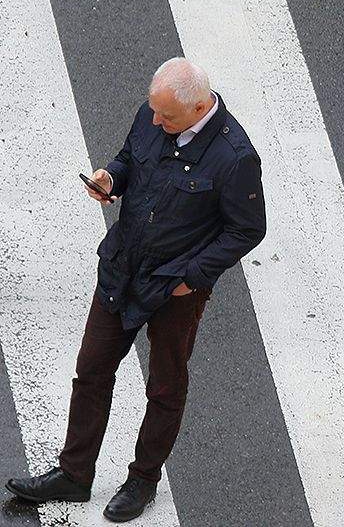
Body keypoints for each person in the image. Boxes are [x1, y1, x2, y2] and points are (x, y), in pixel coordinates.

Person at [5, 59, 266, 522]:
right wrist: (110, 177)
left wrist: (192, 278)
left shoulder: (235, 157)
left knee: (165, 387)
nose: (155, 121)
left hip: (174, 291)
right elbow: (128, 159)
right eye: (154, 111)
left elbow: (246, 230)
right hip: (122, 267)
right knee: (91, 370)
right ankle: (74, 473)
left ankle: (143, 479)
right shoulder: (155, 115)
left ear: (199, 106)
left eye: (166, 117)